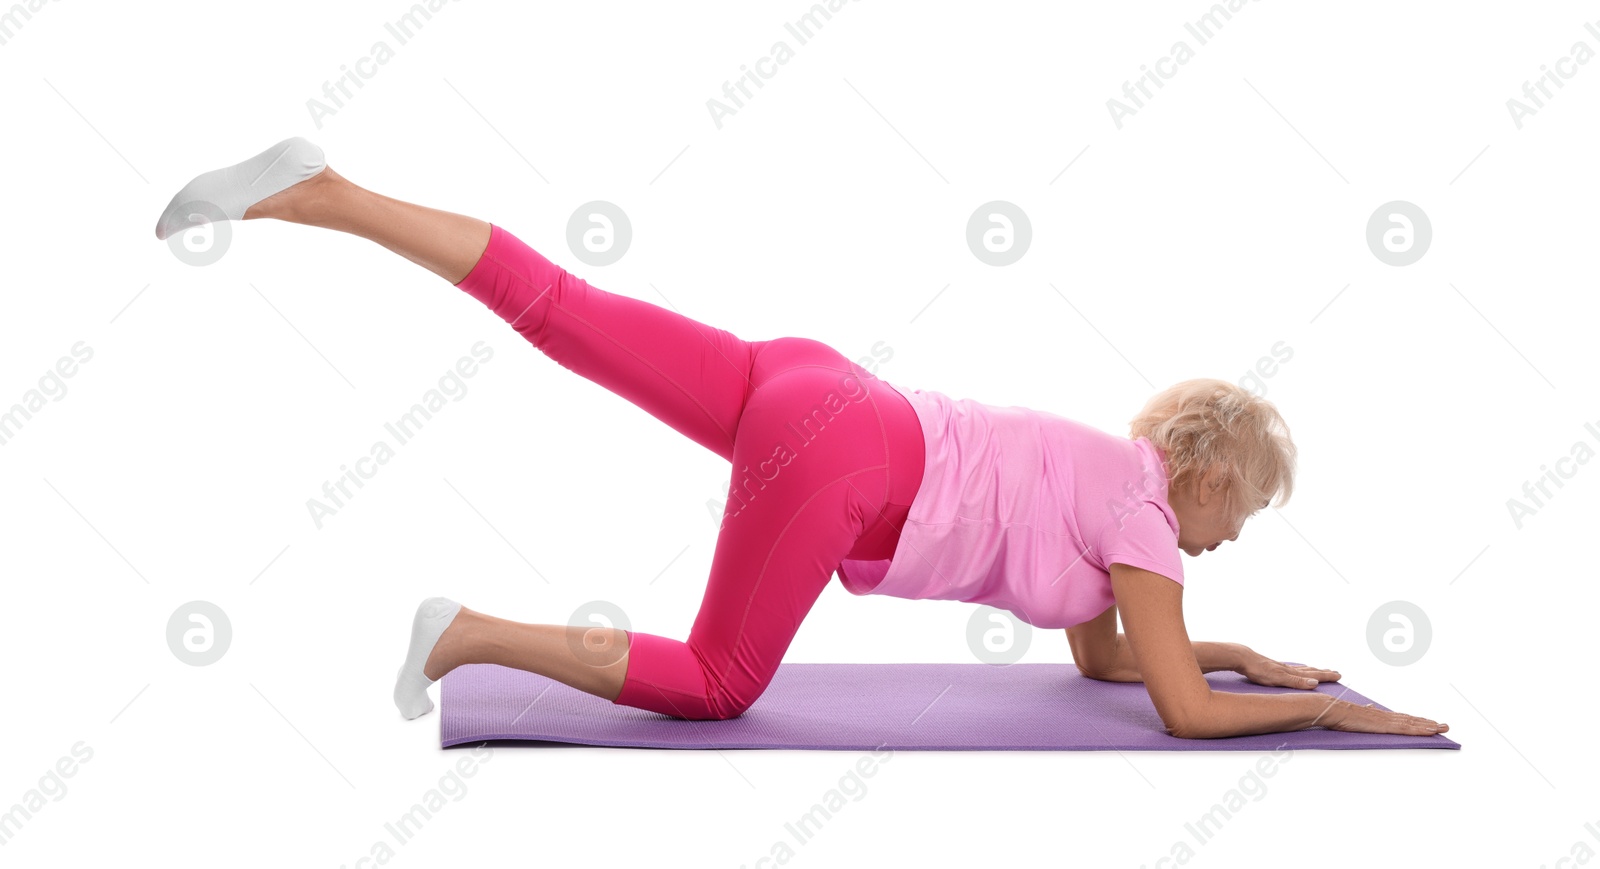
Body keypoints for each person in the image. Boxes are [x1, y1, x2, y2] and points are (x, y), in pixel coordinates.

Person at [154, 137, 1448, 739]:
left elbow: (1115, 658)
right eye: (1244, 513)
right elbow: (1169, 704)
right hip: (845, 460)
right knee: (721, 682)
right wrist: (1320, 711)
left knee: (565, 311)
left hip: (822, 387)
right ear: (1210, 476)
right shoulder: (1148, 521)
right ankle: (468, 632)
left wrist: (1246, 654)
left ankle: (322, 191)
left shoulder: (1114, 489)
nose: (1227, 540)